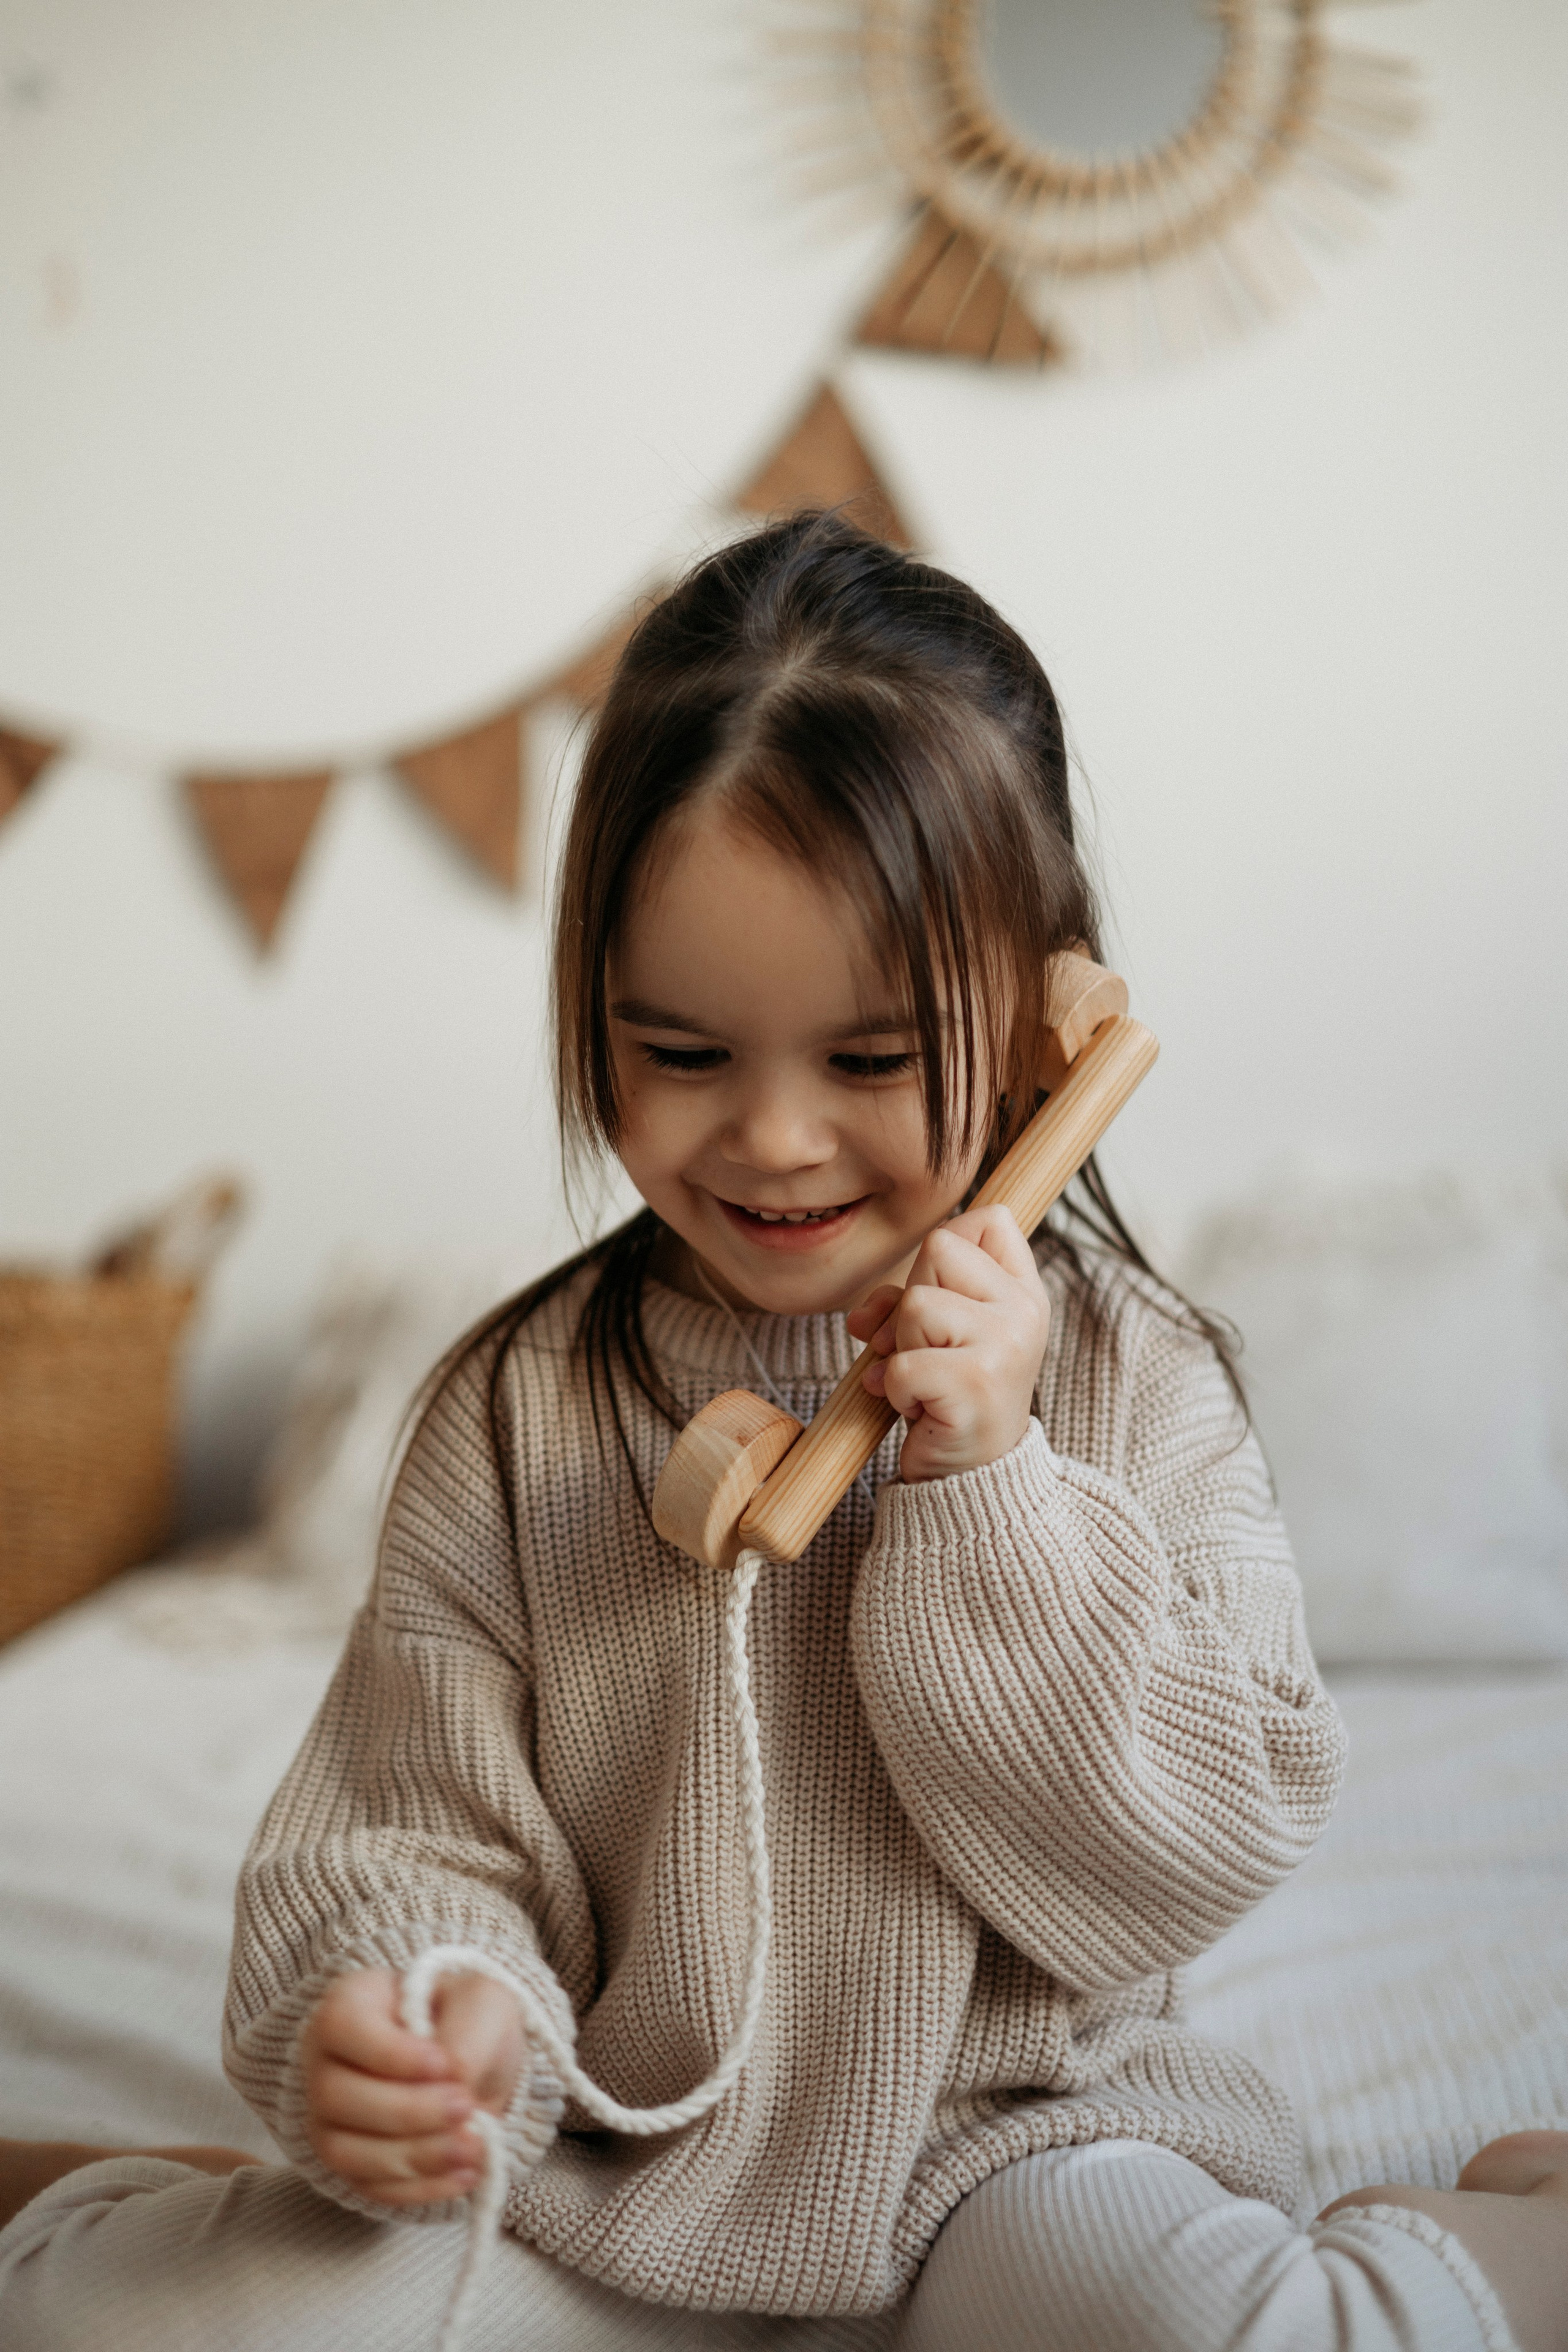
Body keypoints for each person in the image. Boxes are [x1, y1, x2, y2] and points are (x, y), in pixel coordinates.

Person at [2, 514, 1564, 2352]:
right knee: (179, 2326)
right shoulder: (515, 1412)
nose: (773, 1139)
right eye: (680, 1052)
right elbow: (407, 1826)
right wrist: (431, 2005)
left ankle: (1509, 2226)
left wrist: (991, 1490)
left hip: (1017, 2151)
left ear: (1056, 1023)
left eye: (872, 1059)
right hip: (614, 2165)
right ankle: (89, 2192)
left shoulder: (1139, 1376)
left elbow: (1190, 1851)